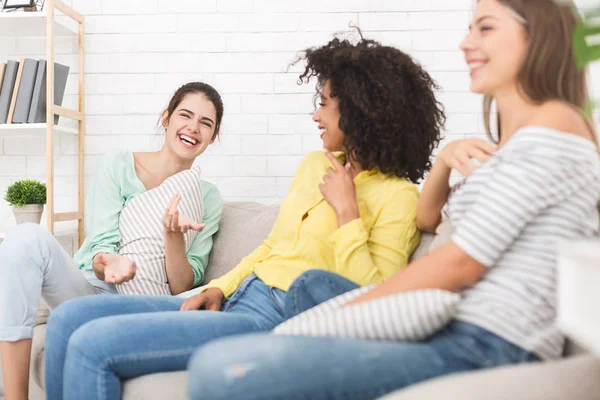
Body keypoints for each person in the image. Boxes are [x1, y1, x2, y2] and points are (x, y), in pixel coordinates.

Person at [183, 1, 600, 399]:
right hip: (451, 328)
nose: (466, 42)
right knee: (272, 324)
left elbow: (460, 261)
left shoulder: (554, 126)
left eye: (486, 27)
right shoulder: (521, 141)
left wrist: (340, 315)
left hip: (486, 342)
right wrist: (442, 163)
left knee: (221, 371)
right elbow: (429, 217)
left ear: (538, 37)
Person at [43, 34, 445, 400]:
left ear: (359, 111)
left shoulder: (399, 196)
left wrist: (347, 212)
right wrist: (218, 287)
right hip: (238, 298)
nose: (315, 116)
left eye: (324, 103)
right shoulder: (313, 167)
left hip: (278, 316)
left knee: (93, 344)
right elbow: (272, 247)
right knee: (67, 319)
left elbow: (373, 297)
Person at [0, 81, 224, 400]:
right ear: (166, 118)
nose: (193, 127)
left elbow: (184, 285)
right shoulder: (118, 165)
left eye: (206, 123)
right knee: (25, 237)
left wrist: (173, 237)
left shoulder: (207, 197)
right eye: (185, 115)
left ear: (212, 137)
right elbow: (99, 248)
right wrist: (110, 263)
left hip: (144, 306)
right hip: (91, 291)